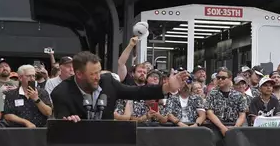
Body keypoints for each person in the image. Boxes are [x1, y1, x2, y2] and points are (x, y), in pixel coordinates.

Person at [52, 51, 188, 121]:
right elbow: (60, 125)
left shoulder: (108, 82)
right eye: (93, 74)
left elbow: (138, 92)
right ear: (79, 74)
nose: (97, 77)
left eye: (99, 72)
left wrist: (167, 87)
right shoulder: (61, 92)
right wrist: (67, 122)